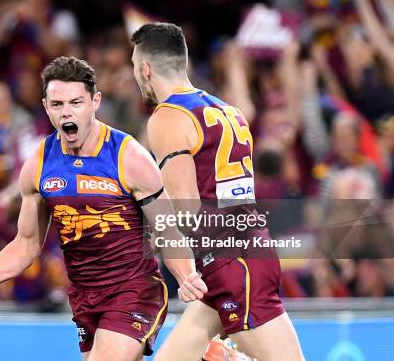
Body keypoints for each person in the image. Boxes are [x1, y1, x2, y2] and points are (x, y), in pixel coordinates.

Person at [0, 56, 207, 360]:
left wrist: (187, 276)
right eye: (57, 105)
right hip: (84, 297)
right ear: (45, 106)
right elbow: (26, 245)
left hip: (134, 290)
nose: (66, 112)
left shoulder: (129, 157)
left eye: (76, 103)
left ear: (95, 101)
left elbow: (167, 230)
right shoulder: (39, 164)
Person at [130, 23, 304, 361]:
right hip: (241, 255)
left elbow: (185, 211)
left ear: (146, 69)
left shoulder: (166, 118)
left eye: (136, 68)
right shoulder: (229, 111)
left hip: (230, 265)